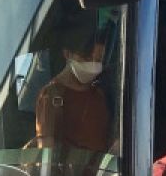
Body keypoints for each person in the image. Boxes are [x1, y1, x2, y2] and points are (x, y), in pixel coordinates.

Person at [35, 13, 110, 152]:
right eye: (86, 58)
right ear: (67, 53)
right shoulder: (51, 95)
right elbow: (45, 153)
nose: (93, 65)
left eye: (98, 60)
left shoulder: (99, 95)